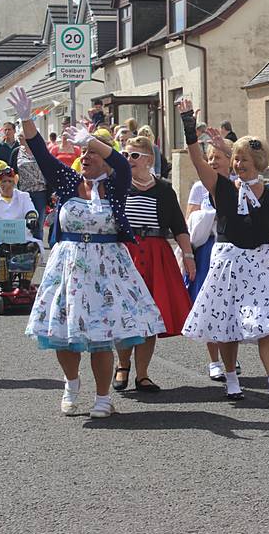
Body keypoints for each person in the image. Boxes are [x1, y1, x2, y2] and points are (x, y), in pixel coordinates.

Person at [9, 86, 165, 419]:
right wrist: (26, 120)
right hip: (69, 266)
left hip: (108, 267)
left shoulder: (117, 182)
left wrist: (93, 140)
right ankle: (71, 384)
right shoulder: (67, 181)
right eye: (83, 155)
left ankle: (103, 396)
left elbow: (121, 163)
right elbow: (40, 153)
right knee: (66, 335)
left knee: (102, 336)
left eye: (92, 154)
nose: (86, 158)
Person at [178, 99, 269, 404]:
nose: (239, 164)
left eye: (245, 159)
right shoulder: (222, 188)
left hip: (260, 263)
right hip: (228, 262)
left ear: (260, 161)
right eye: (236, 159)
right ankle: (231, 379)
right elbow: (196, 160)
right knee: (227, 323)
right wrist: (188, 126)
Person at [113, 136, 196, 394]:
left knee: (150, 315)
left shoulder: (163, 190)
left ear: (149, 160)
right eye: (125, 155)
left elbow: (179, 226)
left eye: (134, 156)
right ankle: (123, 365)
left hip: (156, 254)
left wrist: (188, 256)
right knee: (126, 314)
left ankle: (143, 374)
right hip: (127, 255)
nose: (128, 160)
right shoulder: (118, 186)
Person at [183, 138, 240, 381]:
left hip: (233, 249)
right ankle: (214, 360)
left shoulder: (240, 184)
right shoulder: (199, 187)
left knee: (232, 305)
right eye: (210, 157)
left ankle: (230, 356)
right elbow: (189, 220)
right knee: (210, 303)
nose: (213, 162)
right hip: (208, 249)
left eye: (218, 157)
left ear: (230, 160)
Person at [0, 164, 43, 273]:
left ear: (14, 182)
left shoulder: (23, 196)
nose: (7, 185)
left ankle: (25, 280)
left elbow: (30, 210)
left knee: (33, 248)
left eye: (10, 181)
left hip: (22, 237)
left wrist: (31, 218)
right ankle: (3, 280)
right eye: (3, 181)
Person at [11, 132, 49, 240]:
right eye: (19, 135)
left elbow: (48, 168)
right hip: (22, 192)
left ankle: (38, 250)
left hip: (40, 192)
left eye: (23, 134)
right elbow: (12, 172)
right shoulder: (16, 152)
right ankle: (23, 249)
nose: (20, 136)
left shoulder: (40, 150)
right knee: (22, 223)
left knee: (37, 224)